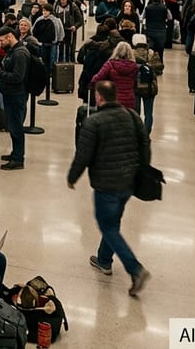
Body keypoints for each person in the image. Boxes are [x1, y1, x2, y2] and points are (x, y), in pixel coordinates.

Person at [67, 80, 151, 298]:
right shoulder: (131, 115)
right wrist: (141, 170)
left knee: (108, 226)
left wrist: (72, 177)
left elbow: (83, 155)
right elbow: (144, 143)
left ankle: (135, 269)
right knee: (113, 222)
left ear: (99, 97)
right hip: (128, 181)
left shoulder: (94, 121)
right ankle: (104, 260)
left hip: (106, 184)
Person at [0, 26, 29, 170]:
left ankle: (18, 159)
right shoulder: (13, 51)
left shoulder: (20, 53)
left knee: (16, 127)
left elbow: (18, 77)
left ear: (10, 37)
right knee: (12, 126)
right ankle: (15, 153)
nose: (0, 44)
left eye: (2, 41)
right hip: (10, 94)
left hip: (16, 95)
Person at [92, 41, 140, 111]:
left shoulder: (110, 64)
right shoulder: (134, 66)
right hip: (129, 100)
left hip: (113, 100)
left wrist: (92, 85)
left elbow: (97, 78)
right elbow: (135, 84)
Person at [131, 34, 164, 134]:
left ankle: (136, 132)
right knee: (148, 113)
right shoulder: (151, 53)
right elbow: (160, 68)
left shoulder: (131, 54)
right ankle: (146, 133)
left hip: (136, 86)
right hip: (150, 87)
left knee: (135, 112)